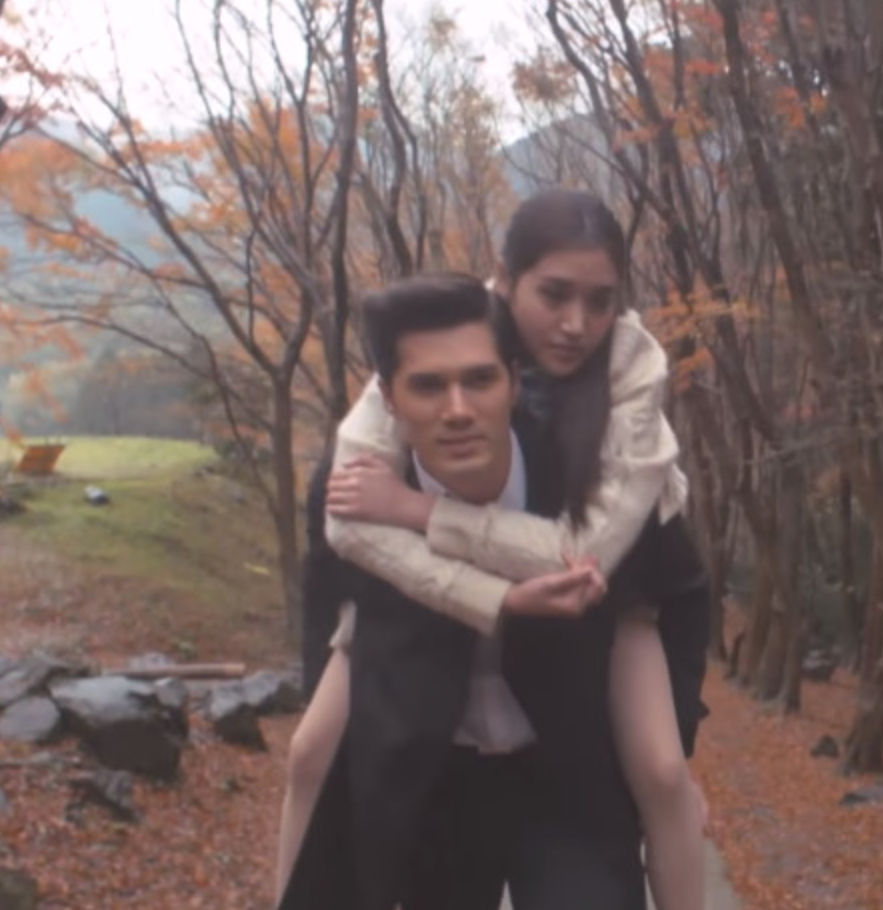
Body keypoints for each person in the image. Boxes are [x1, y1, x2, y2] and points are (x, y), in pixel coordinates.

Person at [277, 191, 710, 909]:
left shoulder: (628, 382)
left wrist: (420, 511)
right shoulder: (437, 345)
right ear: (505, 283)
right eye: (554, 295)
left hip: (612, 583)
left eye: (599, 301)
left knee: (663, 775)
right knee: (309, 753)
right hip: (411, 593)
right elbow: (341, 542)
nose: (575, 324)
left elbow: (605, 561)